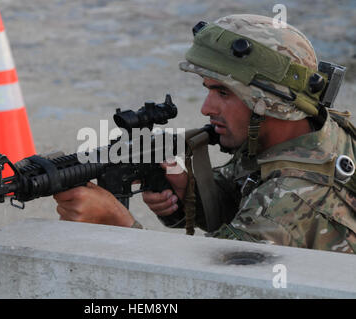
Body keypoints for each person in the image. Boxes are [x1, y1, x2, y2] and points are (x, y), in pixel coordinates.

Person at [53, 14, 356, 254]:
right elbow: (247, 197)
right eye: (208, 89)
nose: (206, 109)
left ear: (268, 103)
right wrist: (191, 193)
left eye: (223, 92)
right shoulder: (310, 133)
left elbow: (205, 288)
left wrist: (118, 227)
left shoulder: (289, 202)